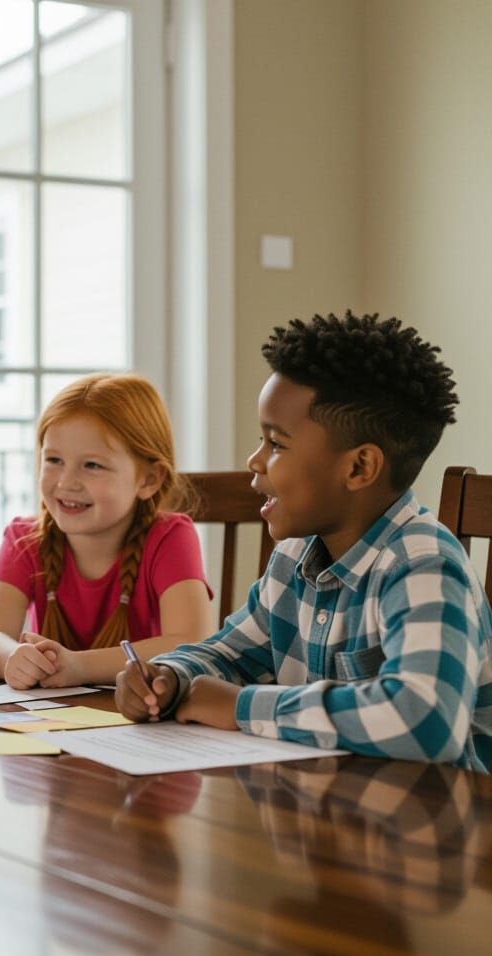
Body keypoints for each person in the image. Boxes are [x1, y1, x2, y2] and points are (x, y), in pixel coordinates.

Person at [116, 311, 492, 771]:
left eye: (276, 444)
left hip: (434, 826)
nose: (255, 460)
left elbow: (425, 722)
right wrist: (170, 678)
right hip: (334, 810)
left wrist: (241, 707)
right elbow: (228, 654)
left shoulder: (422, 566)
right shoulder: (295, 557)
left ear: (358, 468)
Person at [0, 373, 214, 689]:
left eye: (92, 465)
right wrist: (14, 657)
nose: (66, 482)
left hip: (145, 726)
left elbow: (191, 643)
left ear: (149, 479)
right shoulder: (24, 538)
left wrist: (79, 666)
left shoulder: (170, 537)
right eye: (54, 460)